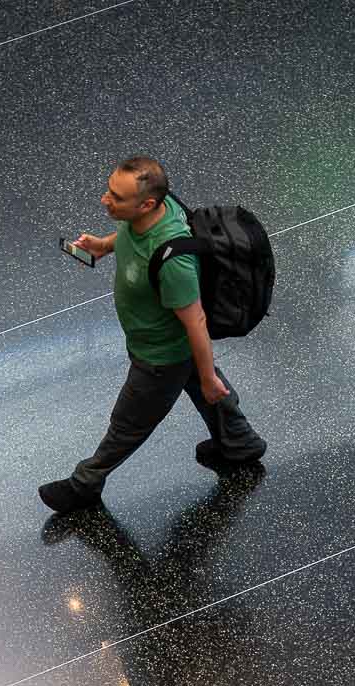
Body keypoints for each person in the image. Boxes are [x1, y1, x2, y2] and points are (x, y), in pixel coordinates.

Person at [39, 156, 266, 513]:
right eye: (109, 190)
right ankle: (240, 442)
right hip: (166, 343)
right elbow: (130, 233)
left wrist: (207, 376)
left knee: (128, 423)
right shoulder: (151, 210)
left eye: (115, 196)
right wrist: (104, 244)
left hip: (160, 356)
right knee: (205, 387)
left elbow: (196, 323)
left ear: (147, 203)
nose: (105, 199)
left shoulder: (174, 262)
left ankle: (86, 482)